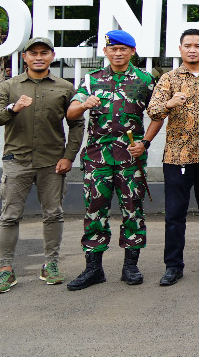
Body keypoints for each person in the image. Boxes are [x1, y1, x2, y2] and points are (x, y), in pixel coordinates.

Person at [0, 36, 82, 294]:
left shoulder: (65, 87)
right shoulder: (8, 86)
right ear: (24, 57)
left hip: (53, 163)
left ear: (52, 56)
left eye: (44, 53)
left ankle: (51, 265)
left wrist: (69, 156)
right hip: (17, 162)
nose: (39, 57)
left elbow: (76, 124)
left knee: (54, 214)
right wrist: (13, 108)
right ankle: (5, 270)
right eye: (33, 53)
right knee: (9, 216)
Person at [65, 30, 155, 290]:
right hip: (97, 159)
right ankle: (93, 269)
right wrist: (83, 105)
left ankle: (131, 266)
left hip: (130, 158)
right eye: (113, 49)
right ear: (105, 51)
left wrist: (145, 142)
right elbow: (71, 113)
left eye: (123, 49)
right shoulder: (92, 80)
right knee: (95, 211)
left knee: (133, 210)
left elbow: (158, 114)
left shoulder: (144, 80)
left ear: (132, 51)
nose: (118, 53)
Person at [146, 28, 199, 286]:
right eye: (188, 45)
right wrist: (169, 104)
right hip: (177, 158)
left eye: (198, 45)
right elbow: (153, 112)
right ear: (180, 49)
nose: (192, 49)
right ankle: (173, 266)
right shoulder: (168, 79)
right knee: (175, 215)